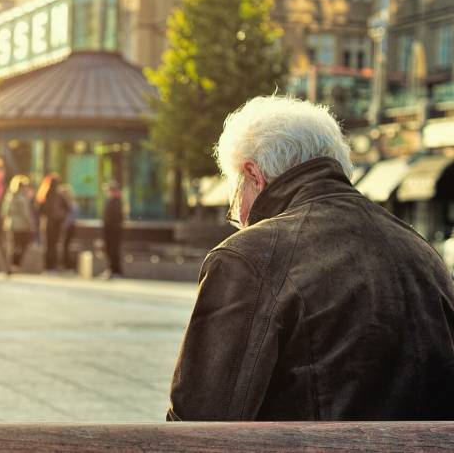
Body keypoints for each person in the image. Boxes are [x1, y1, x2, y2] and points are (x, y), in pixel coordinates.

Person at [167, 95, 454, 421]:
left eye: (234, 198)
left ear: (254, 176)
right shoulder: (421, 251)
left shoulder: (248, 257)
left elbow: (199, 421)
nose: (239, 217)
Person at [36, 173, 68, 272]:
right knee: (53, 245)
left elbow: (39, 210)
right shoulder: (58, 195)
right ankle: (52, 266)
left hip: (48, 223)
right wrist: (61, 216)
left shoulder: (43, 194)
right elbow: (67, 208)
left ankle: (48, 266)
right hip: (55, 223)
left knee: (48, 245)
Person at [3, 175, 35, 270]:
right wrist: (31, 223)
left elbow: (5, 211)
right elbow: (26, 213)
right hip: (21, 225)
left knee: (14, 244)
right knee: (22, 244)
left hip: (10, 224)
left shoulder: (9, 196)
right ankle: (15, 264)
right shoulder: (22, 198)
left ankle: (12, 264)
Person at [102, 181, 123, 278]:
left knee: (113, 250)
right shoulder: (114, 201)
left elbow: (115, 218)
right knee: (110, 250)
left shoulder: (115, 202)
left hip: (112, 230)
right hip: (111, 229)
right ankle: (113, 270)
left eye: (108, 190)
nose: (107, 193)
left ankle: (115, 271)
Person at [59, 183, 79, 270]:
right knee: (64, 246)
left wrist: (64, 225)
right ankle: (65, 264)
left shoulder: (71, 204)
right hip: (68, 226)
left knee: (66, 246)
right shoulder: (68, 204)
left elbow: (72, 217)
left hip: (69, 227)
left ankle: (67, 264)